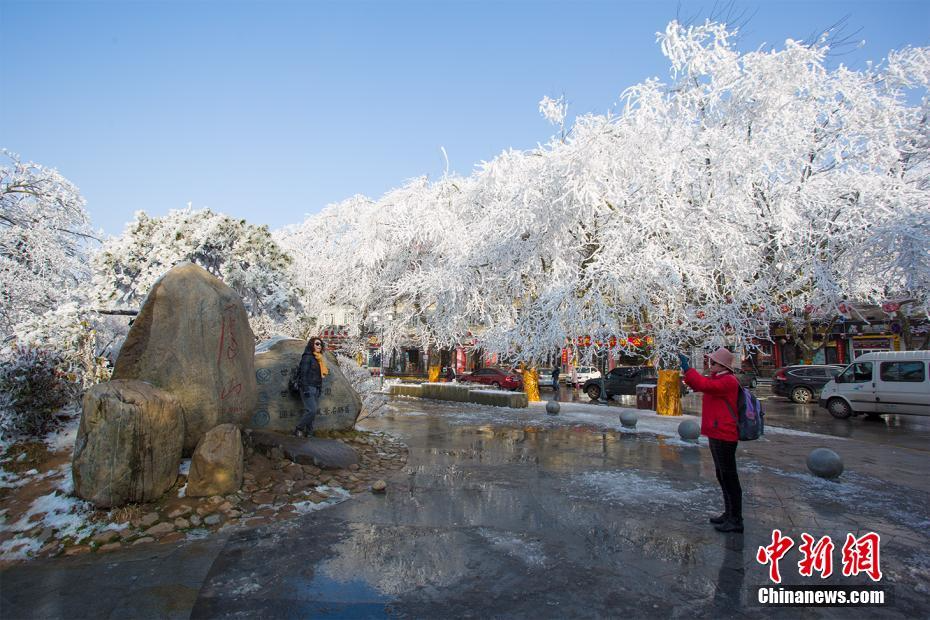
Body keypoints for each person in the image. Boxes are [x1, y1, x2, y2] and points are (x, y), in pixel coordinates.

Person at [679, 347, 744, 533]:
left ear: (723, 365)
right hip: (717, 432)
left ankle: (736, 519)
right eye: (710, 361)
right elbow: (701, 384)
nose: (710, 364)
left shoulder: (728, 381)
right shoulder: (719, 378)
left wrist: (688, 369)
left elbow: (703, 386)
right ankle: (729, 513)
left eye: (713, 362)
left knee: (729, 476)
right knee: (722, 475)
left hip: (725, 433)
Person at [295, 336, 329, 437]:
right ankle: (298, 428)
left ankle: (309, 432)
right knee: (312, 411)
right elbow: (303, 374)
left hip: (316, 388)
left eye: (320, 344)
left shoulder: (318, 358)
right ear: (311, 345)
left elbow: (319, 376)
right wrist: (305, 389)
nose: (319, 346)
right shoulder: (307, 357)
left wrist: (319, 388)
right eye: (317, 344)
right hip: (308, 387)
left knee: (310, 411)